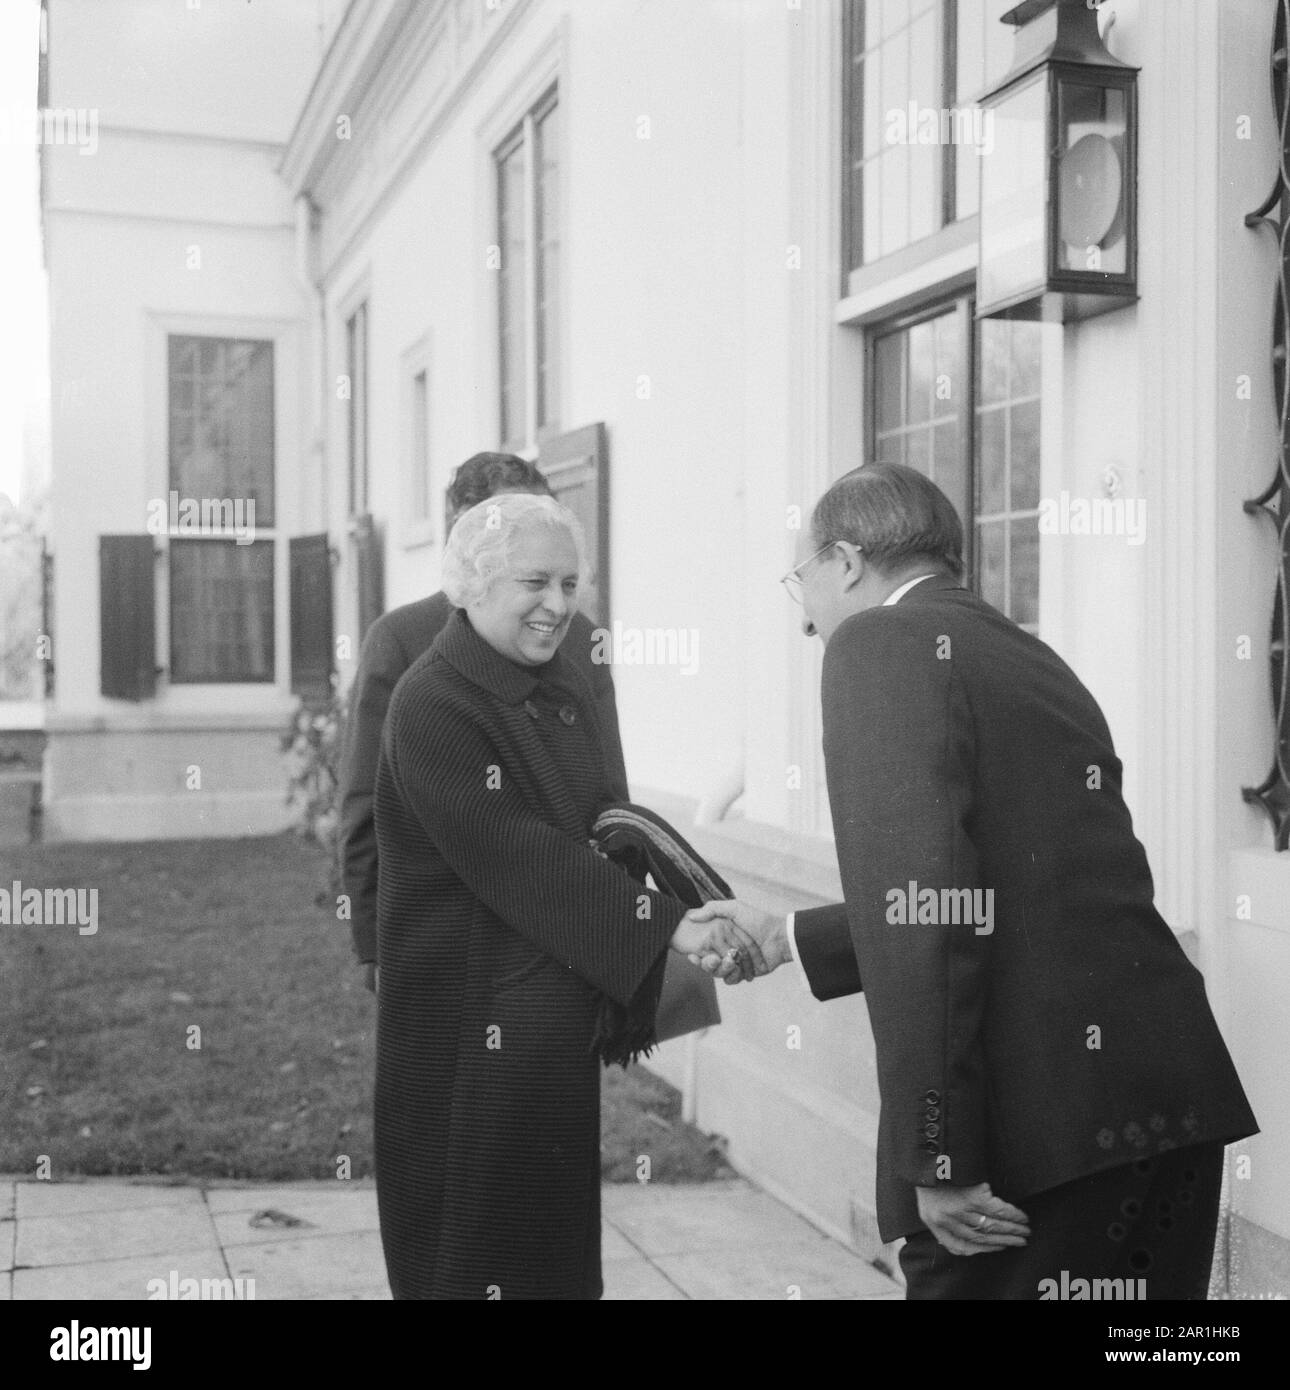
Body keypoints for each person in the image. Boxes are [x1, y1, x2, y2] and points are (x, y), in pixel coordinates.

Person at [689, 462, 1258, 1300]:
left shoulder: (877, 643)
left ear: (845, 560)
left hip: (1037, 1141)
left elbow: (931, 922)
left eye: (800, 580)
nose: (806, 618)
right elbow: (1001, 886)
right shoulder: (1027, 654)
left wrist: (936, 1150)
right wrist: (787, 937)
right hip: (1158, 1103)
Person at [372, 493, 739, 1300]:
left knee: (550, 1253)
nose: (558, 605)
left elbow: (601, 815)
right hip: (467, 1026)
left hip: (546, 1013)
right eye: (534, 582)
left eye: (570, 584)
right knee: (468, 1247)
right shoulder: (434, 702)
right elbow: (522, 856)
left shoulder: (558, 674)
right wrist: (667, 925)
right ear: (470, 585)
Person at [337, 452, 627, 993]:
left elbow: (609, 789)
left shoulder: (581, 639)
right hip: (447, 932)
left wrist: (625, 920)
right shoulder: (401, 639)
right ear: (461, 533)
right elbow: (365, 802)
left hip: (564, 923)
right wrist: (373, 941)